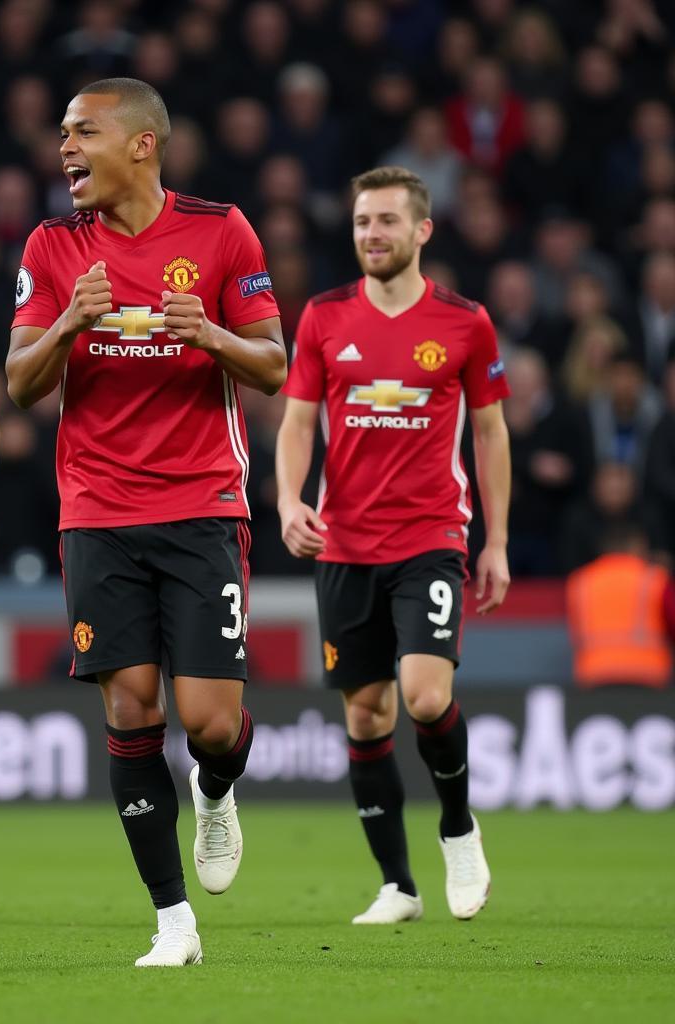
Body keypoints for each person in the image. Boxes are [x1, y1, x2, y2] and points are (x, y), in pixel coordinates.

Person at [6, 78, 285, 967]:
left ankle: (214, 788)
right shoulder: (53, 246)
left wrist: (212, 338)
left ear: (142, 144)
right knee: (131, 708)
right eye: (61, 133)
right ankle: (173, 922)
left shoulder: (220, 230)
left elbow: (273, 363)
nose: (65, 148)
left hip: (203, 502)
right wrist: (66, 329)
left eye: (83, 131)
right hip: (97, 510)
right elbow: (19, 381)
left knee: (208, 723)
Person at [275, 166, 511, 925]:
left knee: (425, 694)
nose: (370, 235)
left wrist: (495, 541)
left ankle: (458, 827)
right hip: (344, 545)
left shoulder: (465, 322)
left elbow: (490, 432)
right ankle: (398, 887)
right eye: (361, 222)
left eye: (385, 221)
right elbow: (300, 422)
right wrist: (287, 500)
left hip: (430, 536)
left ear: (422, 231)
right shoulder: (322, 317)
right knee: (368, 716)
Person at [566, 523, 675, 689]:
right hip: (647, 673)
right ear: (636, 546)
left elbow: (576, 631)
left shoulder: (581, 581)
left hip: (594, 674)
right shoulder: (654, 579)